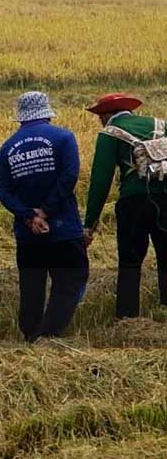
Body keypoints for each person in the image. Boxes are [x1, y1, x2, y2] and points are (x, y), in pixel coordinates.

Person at [0, 92, 88, 342]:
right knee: (69, 280)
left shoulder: (6, 149)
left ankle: (30, 335)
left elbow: (3, 191)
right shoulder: (64, 138)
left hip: (28, 234)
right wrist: (46, 211)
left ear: (21, 118)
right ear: (46, 113)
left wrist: (28, 215)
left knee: (32, 285)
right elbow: (69, 177)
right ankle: (48, 335)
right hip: (63, 228)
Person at [83, 92, 167, 318]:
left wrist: (90, 223)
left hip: (134, 203)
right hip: (166, 198)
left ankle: (127, 315)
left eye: (100, 116)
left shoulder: (109, 133)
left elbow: (100, 181)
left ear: (106, 115)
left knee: (130, 260)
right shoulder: (161, 124)